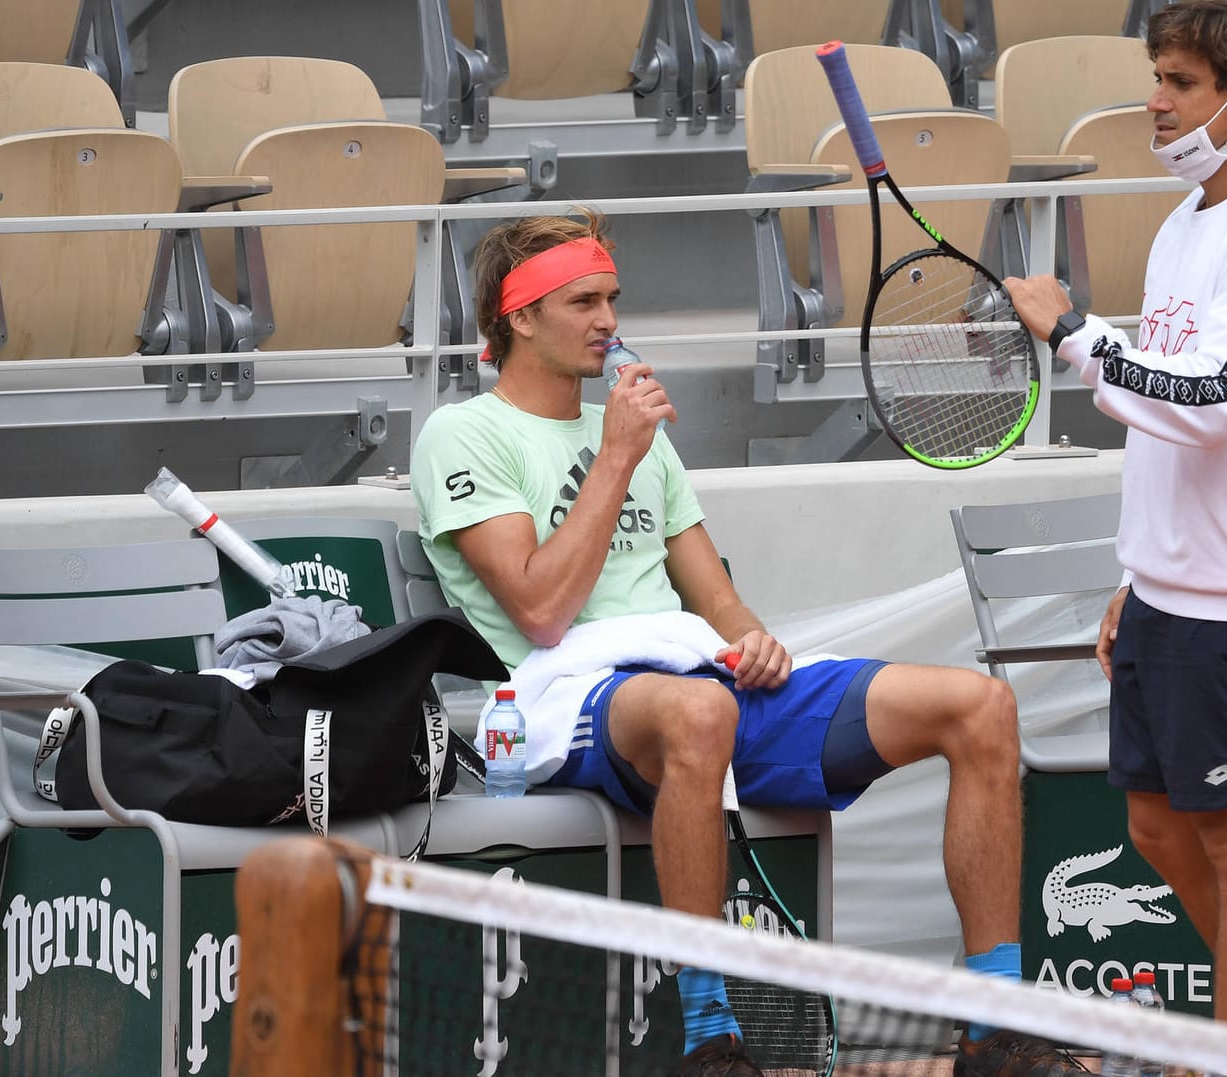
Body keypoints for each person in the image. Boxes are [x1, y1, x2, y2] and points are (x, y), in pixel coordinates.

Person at [411, 212, 1077, 1077]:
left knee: (979, 706)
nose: (609, 320)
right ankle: (709, 1038)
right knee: (700, 710)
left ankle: (994, 1027)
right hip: (567, 693)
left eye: (613, 298)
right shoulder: (464, 434)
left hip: (699, 676)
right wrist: (613, 458)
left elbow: (715, 598)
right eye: (582, 301)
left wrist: (757, 643)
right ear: (518, 318)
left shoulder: (641, 436)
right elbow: (538, 609)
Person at [1003, 0, 1227, 1047]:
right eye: (1157, 76)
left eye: (1181, 83)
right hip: (1171, 587)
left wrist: (1071, 332)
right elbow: (1162, 423)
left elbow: (1215, 398)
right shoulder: (1182, 220)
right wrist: (1136, 573)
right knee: (1156, 826)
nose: (1155, 101)